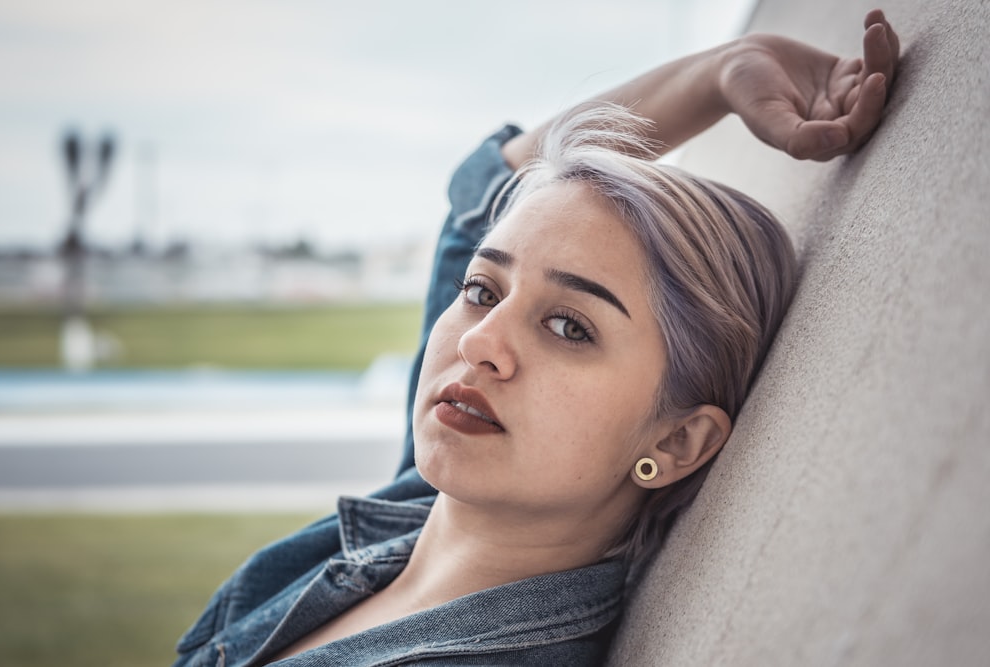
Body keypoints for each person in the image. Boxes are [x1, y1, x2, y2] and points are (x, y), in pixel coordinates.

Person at [173, 10, 899, 667]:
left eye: (568, 326)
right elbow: (486, 192)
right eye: (483, 290)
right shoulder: (419, 506)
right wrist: (721, 72)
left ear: (675, 442)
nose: (481, 342)